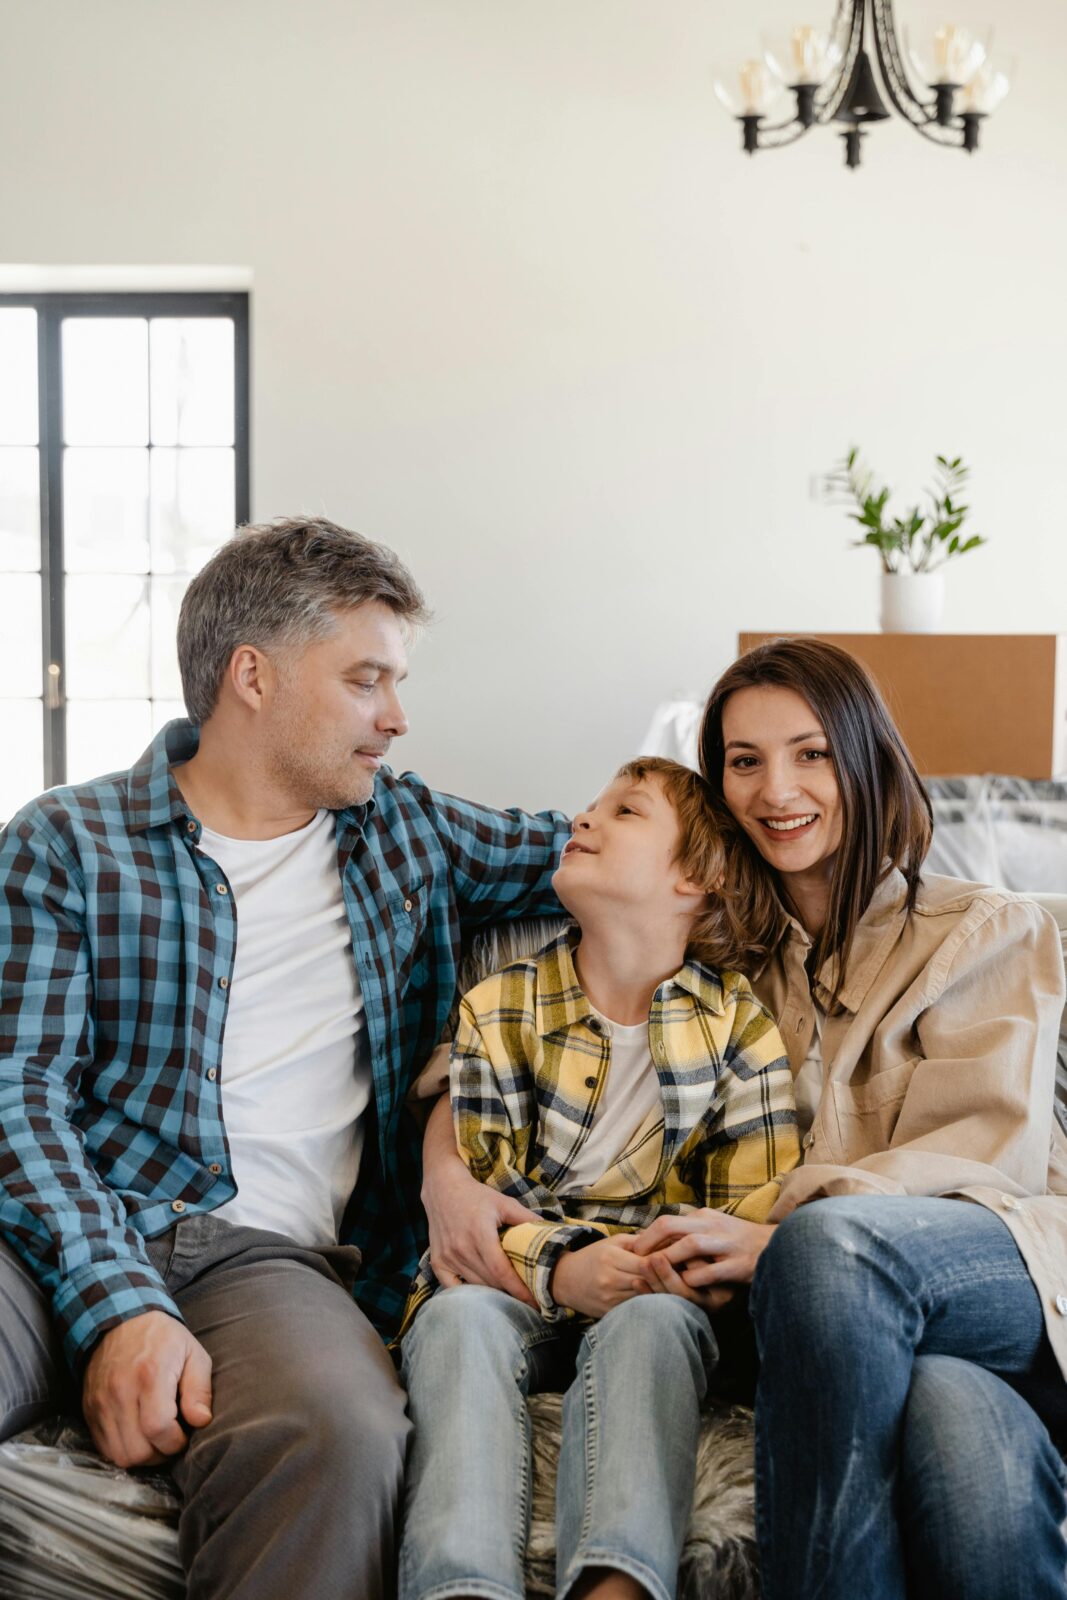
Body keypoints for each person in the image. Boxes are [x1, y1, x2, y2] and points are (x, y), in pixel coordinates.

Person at [0, 517, 573, 1600]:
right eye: (366, 681)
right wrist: (121, 1305)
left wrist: (809, 808)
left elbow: (613, 854)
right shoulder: (68, 842)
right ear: (251, 676)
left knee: (340, 1430)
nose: (396, 719)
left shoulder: (410, 834)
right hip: (45, 1235)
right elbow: (16, 1098)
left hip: (268, 1263)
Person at [626, 637, 1067, 1599]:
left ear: (864, 758)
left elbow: (982, 1155)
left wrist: (777, 1233)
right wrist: (451, 1113)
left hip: (1009, 1271)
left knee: (829, 1248)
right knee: (956, 1428)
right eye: (743, 760)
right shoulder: (722, 964)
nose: (775, 788)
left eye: (810, 752)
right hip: (846, 1330)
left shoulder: (985, 928)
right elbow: (572, 1006)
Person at [399, 756, 798, 1600]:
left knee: (652, 1325)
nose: (583, 820)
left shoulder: (740, 1030)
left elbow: (746, 1212)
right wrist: (567, 1267)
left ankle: (613, 1585)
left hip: (653, 1289)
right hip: (512, 1274)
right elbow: (475, 1196)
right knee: (455, 1321)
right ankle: (459, 1586)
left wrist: (665, 1268)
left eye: (624, 812)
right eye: (590, 808)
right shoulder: (498, 1006)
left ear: (695, 879)